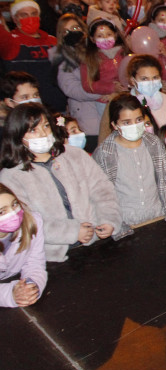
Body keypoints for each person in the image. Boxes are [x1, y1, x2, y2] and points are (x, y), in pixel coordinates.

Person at [0, 103, 121, 260]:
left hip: (96, 243)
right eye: (33, 130)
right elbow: (26, 221)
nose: (43, 134)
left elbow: (103, 190)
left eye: (45, 126)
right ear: (18, 136)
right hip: (51, 255)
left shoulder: (75, 155)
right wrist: (72, 232)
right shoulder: (11, 176)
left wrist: (108, 219)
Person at [93, 94, 166, 232]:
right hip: (126, 223)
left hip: (157, 217)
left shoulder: (153, 143)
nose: (134, 126)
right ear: (114, 125)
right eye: (127, 122)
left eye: (138, 120)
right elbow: (101, 194)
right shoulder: (105, 153)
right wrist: (114, 223)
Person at [0, 0, 66, 112]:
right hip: (28, 109)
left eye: (33, 14)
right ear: (15, 19)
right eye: (23, 15)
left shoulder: (53, 40)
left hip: (59, 107)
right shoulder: (11, 42)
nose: (30, 18)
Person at [51, 13, 103, 139]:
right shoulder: (63, 60)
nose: (72, 33)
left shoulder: (99, 52)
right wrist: (103, 91)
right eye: (66, 31)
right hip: (87, 121)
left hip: (109, 114)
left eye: (75, 28)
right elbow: (72, 89)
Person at [0, 184, 47, 308]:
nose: (13, 213)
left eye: (14, 204)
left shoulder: (31, 222)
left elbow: (35, 263)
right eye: (1, 212)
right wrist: (10, 294)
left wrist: (31, 286)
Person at [80, 9, 127, 98]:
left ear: (115, 35)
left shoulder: (124, 53)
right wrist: (111, 88)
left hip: (126, 96)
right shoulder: (89, 58)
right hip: (104, 99)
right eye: (100, 36)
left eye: (109, 34)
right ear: (92, 39)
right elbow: (87, 84)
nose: (105, 38)